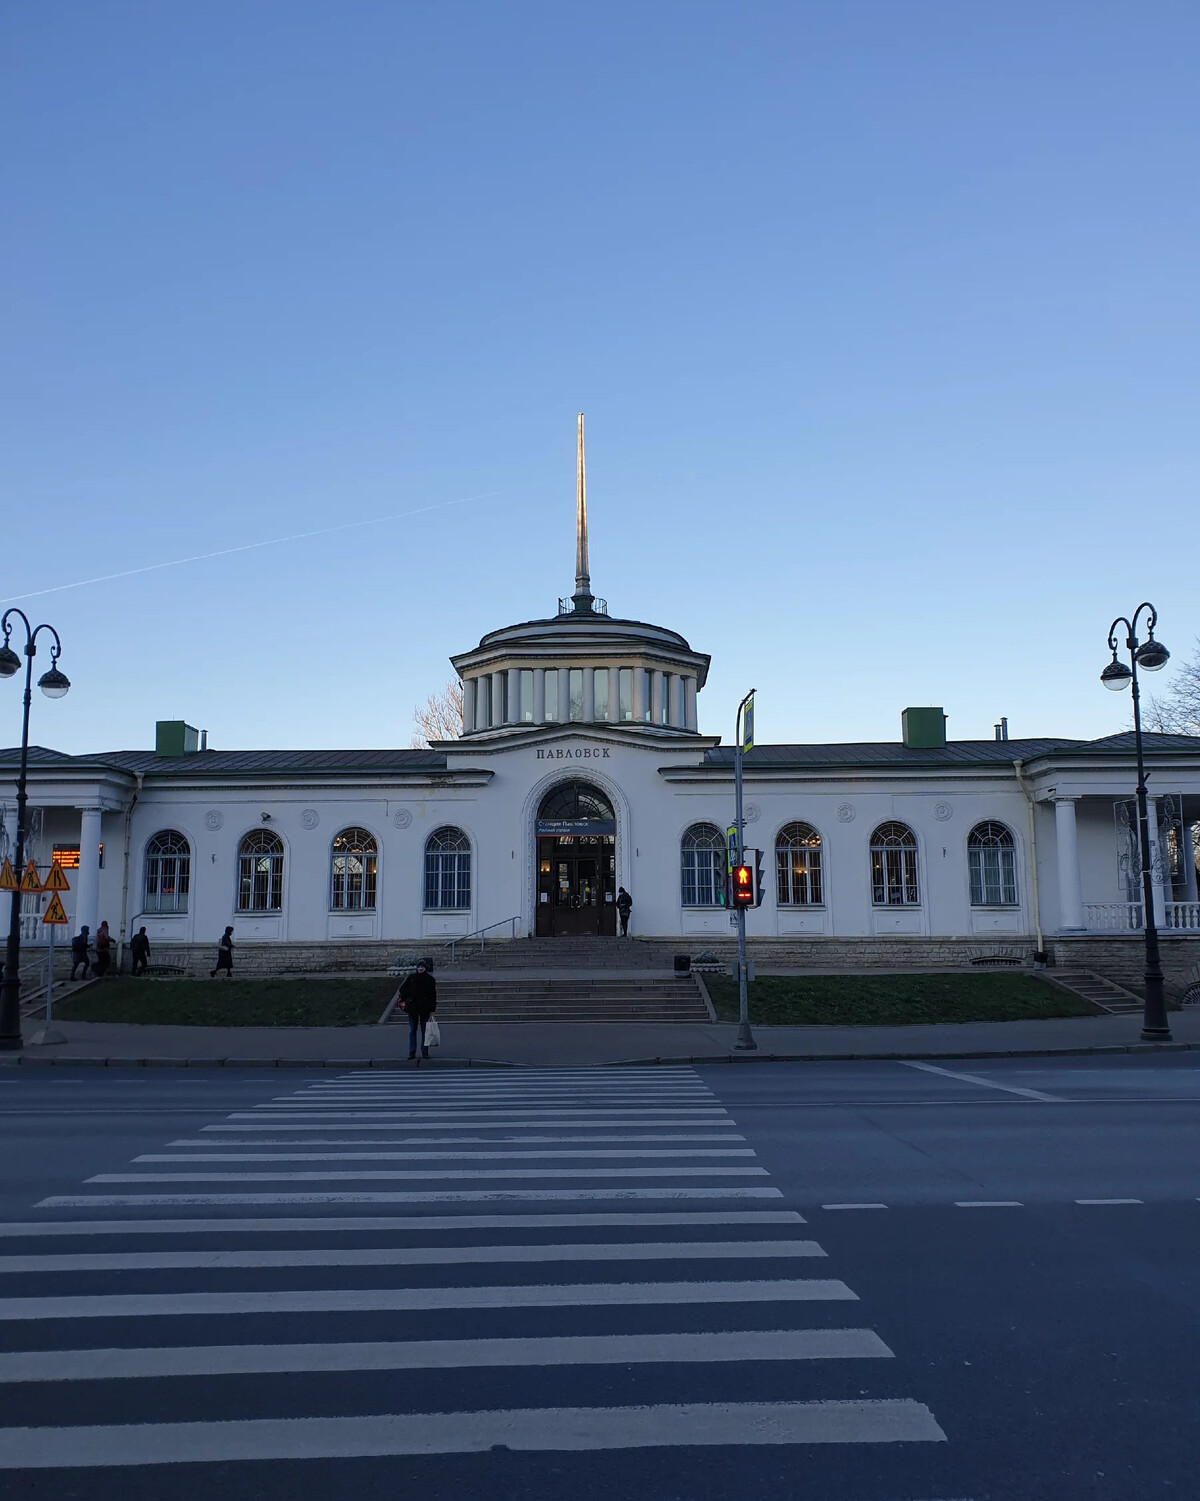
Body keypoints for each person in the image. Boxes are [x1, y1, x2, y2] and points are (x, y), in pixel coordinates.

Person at [399, 959, 437, 1060]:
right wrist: (409, 995)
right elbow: (402, 989)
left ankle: (425, 1051)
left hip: (425, 1008)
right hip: (413, 1008)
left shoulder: (430, 980)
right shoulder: (412, 978)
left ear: (425, 968)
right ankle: (412, 1051)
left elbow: (433, 996)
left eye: (422, 967)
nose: (420, 968)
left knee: (425, 1031)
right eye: (419, 967)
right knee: (412, 1031)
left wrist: (433, 1010)